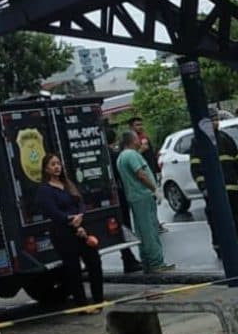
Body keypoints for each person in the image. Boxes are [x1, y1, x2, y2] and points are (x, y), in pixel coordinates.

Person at [35, 153, 104, 305]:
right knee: (73, 269)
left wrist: (80, 216)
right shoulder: (45, 190)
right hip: (63, 233)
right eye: (53, 164)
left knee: (94, 262)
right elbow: (53, 212)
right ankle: (82, 304)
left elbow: (80, 202)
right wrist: (70, 220)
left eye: (58, 163)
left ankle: (99, 300)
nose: (57, 167)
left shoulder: (68, 184)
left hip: (81, 230)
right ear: (46, 169)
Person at [189, 121, 238, 256]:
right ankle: (220, 247)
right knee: (216, 219)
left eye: (216, 119)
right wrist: (203, 186)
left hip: (231, 187)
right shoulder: (198, 142)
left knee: (237, 215)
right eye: (212, 119)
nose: (215, 122)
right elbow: (195, 167)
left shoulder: (226, 138)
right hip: (213, 191)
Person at [116, 131, 174, 273]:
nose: (140, 141)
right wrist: (154, 189)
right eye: (138, 139)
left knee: (142, 231)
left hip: (134, 197)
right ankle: (156, 263)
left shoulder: (121, 157)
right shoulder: (132, 155)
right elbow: (141, 174)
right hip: (143, 195)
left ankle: (147, 261)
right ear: (132, 140)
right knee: (150, 230)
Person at [105, 127, 143, 274]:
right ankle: (128, 259)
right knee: (124, 226)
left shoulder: (105, 155)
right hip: (119, 195)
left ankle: (128, 258)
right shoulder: (116, 155)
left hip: (108, 195)